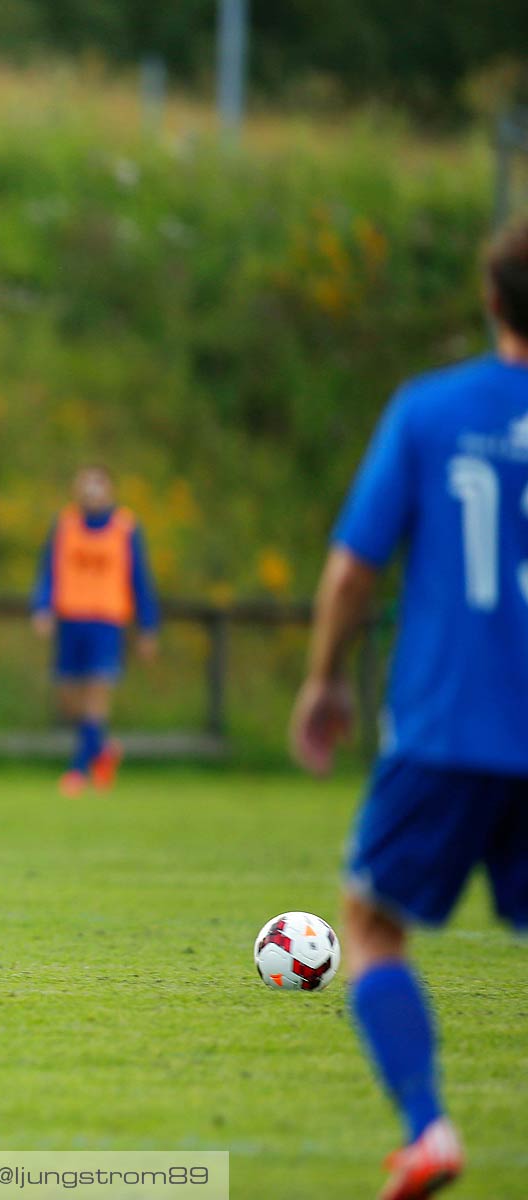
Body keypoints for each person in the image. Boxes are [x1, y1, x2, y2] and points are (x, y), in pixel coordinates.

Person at [289, 218, 528, 1200]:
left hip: (446, 723)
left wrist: (326, 677)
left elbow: (353, 569)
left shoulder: (432, 412)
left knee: (372, 924)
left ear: (491, 301)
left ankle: (429, 1127)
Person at [29, 465, 159, 796]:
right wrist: (42, 606)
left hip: (106, 623)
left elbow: (140, 580)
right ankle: (102, 750)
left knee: (95, 696)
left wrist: (148, 626)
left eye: (97, 486)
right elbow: (49, 571)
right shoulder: (65, 525)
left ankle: (77, 770)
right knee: (68, 699)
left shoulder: (125, 528)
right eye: (85, 486)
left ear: (110, 490)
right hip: (71, 622)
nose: (91, 493)